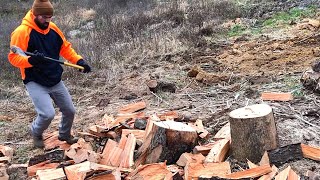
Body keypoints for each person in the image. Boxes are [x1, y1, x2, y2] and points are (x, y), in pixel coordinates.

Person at [8, 0, 91, 148]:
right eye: (44, 17)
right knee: (47, 114)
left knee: (70, 111)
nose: (47, 20)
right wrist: (31, 60)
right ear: (35, 14)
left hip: (54, 78)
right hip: (35, 80)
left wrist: (79, 61)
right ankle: (35, 131)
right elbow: (14, 57)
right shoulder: (22, 32)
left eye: (49, 17)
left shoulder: (53, 29)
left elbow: (65, 48)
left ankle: (64, 134)